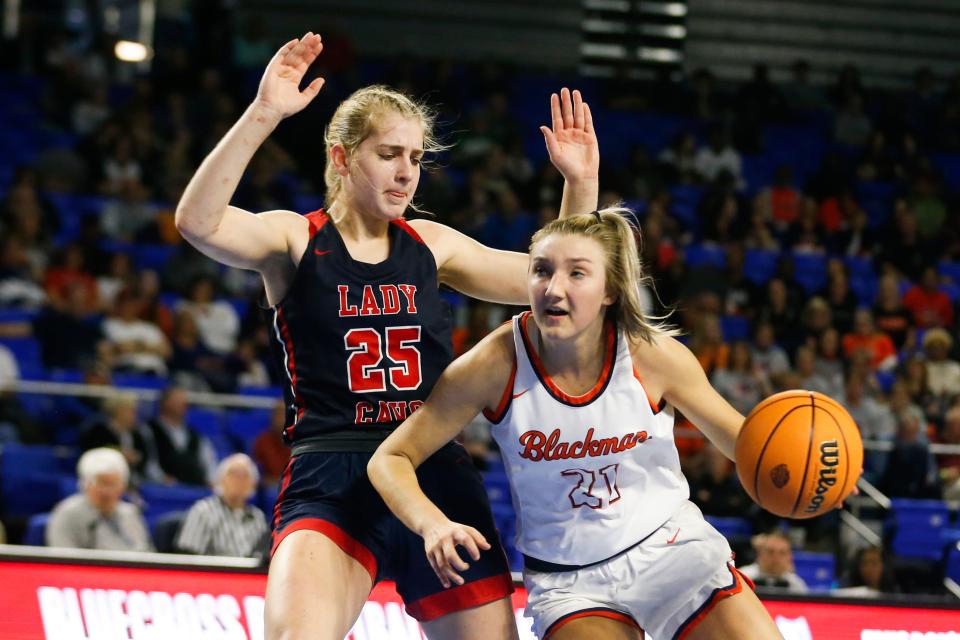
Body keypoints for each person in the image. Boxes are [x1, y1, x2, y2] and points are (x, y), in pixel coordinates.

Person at [174, 32, 599, 640]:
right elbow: (197, 222)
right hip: (332, 471)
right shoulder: (296, 239)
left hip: (430, 465)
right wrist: (265, 111)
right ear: (343, 158)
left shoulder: (433, 244)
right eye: (389, 154)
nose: (407, 173)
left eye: (417, 158)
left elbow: (553, 285)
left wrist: (579, 187)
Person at [369, 209, 782, 639]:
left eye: (577, 274)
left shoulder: (651, 355)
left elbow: (747, 446)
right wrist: (431, 523)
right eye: (541, 271)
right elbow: (391, 458)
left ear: (609, 291)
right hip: (572, 583)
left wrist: (814, 476)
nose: (553, 288)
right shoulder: (494, 363)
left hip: (672, 552)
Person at [46, 447, 153, 551]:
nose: (107, 491)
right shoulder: (67, 513)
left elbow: (148, 555)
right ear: (84, 485)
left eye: (113, 484)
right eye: (101, 483)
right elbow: (63, 559)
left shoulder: (130, 513)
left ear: (123, 486)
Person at [175, 453, 268, 558]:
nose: (239, 480)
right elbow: (187, 558)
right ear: (220, 480)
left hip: (249, 573)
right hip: (213, 573)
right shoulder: (202, 512)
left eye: (245, 475)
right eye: (233, 473)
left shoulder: (258, 516)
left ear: (253, 484)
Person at [738, 531, 809, 593]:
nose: (776, 558)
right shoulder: (742, 578)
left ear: (789, 557)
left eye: (782, 553)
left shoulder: (796, 585)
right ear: (760, 554)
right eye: (770, 552)